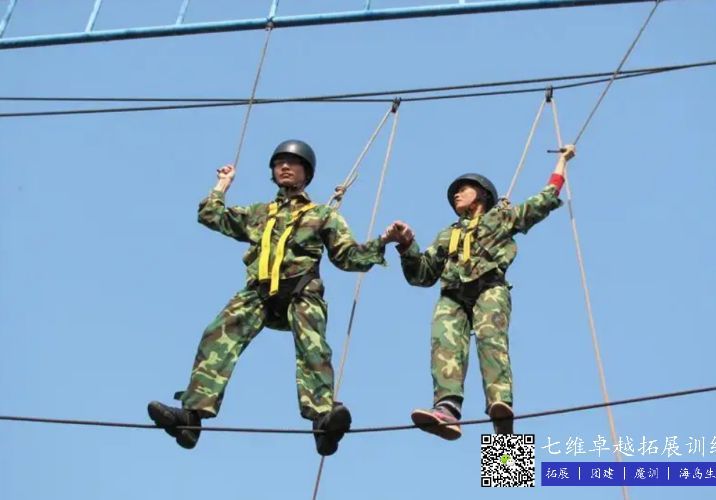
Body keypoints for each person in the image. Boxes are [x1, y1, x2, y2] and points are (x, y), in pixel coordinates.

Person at [148, 139, 396, 455]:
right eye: (279, 163)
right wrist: (222, 184)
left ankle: (323, 421)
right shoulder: (260, 213)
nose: (285, 167)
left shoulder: (321, 215)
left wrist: (382, 242)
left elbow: (348, 257)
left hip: (301, 292)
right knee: (217, 334)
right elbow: (211, 214)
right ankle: (191, 418)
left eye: (293, 163)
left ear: (307, 173)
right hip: (259, 293)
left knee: (313, 347)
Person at [382, 145, 576, 439]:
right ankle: (446, 410)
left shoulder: (500, 218)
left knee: (491, 339)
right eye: (455, 192)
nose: (457, 194)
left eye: (464, 189)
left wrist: (563, 161)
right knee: (444, 342)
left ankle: (502, 415)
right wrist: (406, 245)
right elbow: (422, 275)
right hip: (453, 295)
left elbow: (544, 200)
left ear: (482, 194)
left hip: (489, 287)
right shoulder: (448, 235)